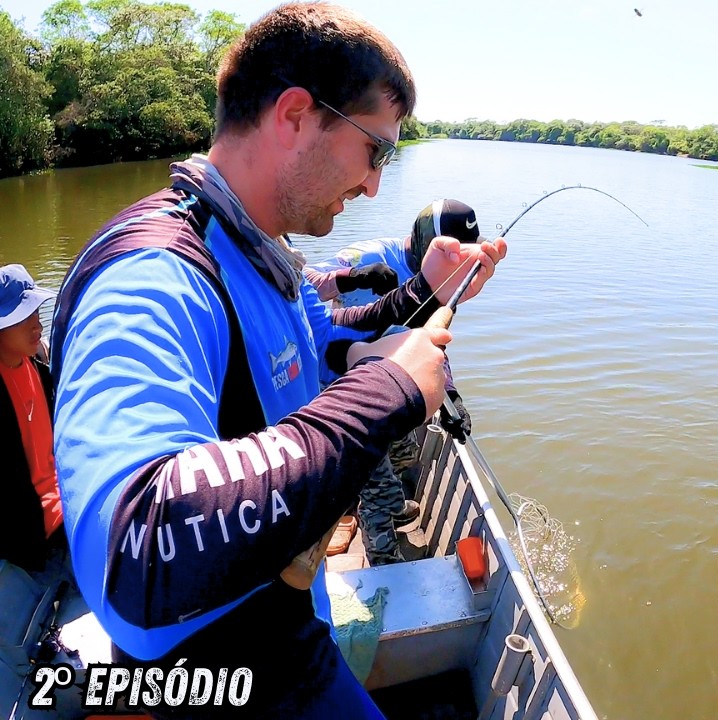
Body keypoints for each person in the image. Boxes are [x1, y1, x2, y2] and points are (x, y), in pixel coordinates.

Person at [49, 3, 505, 717]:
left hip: (286, 618)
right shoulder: (152, 277)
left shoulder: (263, 252)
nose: (374, 185)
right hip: (214, 665)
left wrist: (427, 291)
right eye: (375, 151)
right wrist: (386, 391)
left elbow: (330, 343)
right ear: (295, 115)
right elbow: (135, 550)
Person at [306, 200, 482, 565]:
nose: (456, 266)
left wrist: (451, 396)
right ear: (427, 243)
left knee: (406, 452)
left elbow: (429, 340)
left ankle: (387, 505)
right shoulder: (371, 256)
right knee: (378, 484)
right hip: (337, 383)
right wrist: (353, 276)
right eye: (452, 256)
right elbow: (299, 284)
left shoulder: (445, 279)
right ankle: (383, 557)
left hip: (389, 382)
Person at [0, 265, 65, 578]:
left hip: (67, 505)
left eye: (36, 312)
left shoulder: (40, 362)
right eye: (22, 317)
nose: (37, 324)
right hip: (30, 535)